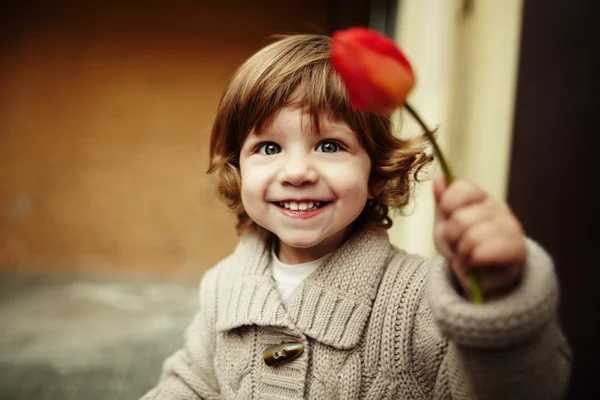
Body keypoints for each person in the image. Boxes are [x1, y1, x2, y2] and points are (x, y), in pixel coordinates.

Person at [141, 34, 571, 399]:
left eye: (329, 145)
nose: (296, 173)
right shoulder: (224, 286)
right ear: (238, 169)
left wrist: (497, 299)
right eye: (268, 148)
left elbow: (518, 388)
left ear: (377, 173)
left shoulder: (423, 302)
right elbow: (193, 383)